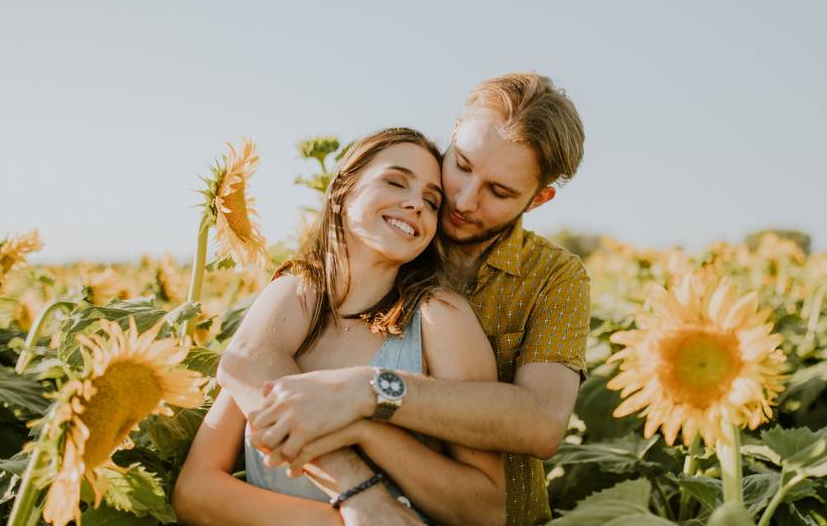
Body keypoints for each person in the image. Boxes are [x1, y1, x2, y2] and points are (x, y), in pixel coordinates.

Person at [220, 72, 590, 525]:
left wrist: (372, 391)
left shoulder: (555, 276)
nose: (464, 199)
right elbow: (247, 361)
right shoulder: (375, 245)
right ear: (453, 135)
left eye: (499, 191)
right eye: (464, 165)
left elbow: (543, 422)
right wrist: (356, 490)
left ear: (539, 199)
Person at [173, 128, 506, 526]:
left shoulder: (441, 318)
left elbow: (485, 509)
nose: (415, 203)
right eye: (396, 181)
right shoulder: (291, 299)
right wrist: (357, 505)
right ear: (342, 190)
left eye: (432, 201)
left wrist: (366, 428)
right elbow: (195, 491)